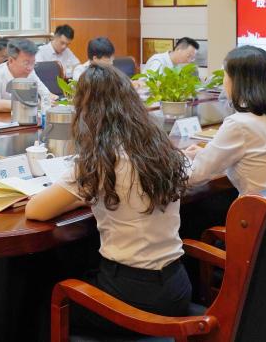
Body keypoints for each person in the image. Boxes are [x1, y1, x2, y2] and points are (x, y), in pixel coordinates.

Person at [26, 65, 191, 334]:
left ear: (86, 110)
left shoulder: (102, 161)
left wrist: (80, 197)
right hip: (176, 287)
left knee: (41, 301)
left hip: (131, 298)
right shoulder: (161, 149)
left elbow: (35, 210)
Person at [184, 46, 266, 196]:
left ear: (237, 81)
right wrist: (205, 154)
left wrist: (181, 158)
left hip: (256, 209)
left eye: (225, 75)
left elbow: (195, 176)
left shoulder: (238, 124)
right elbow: (255, 158)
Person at [0, 39, 55, 112]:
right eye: (26, 63)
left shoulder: (30, 72)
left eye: (33, 63)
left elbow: (46, 95)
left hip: (16, 118)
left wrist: (48, 99)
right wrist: (29, 104)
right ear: (11, 60)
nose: (30, 68)